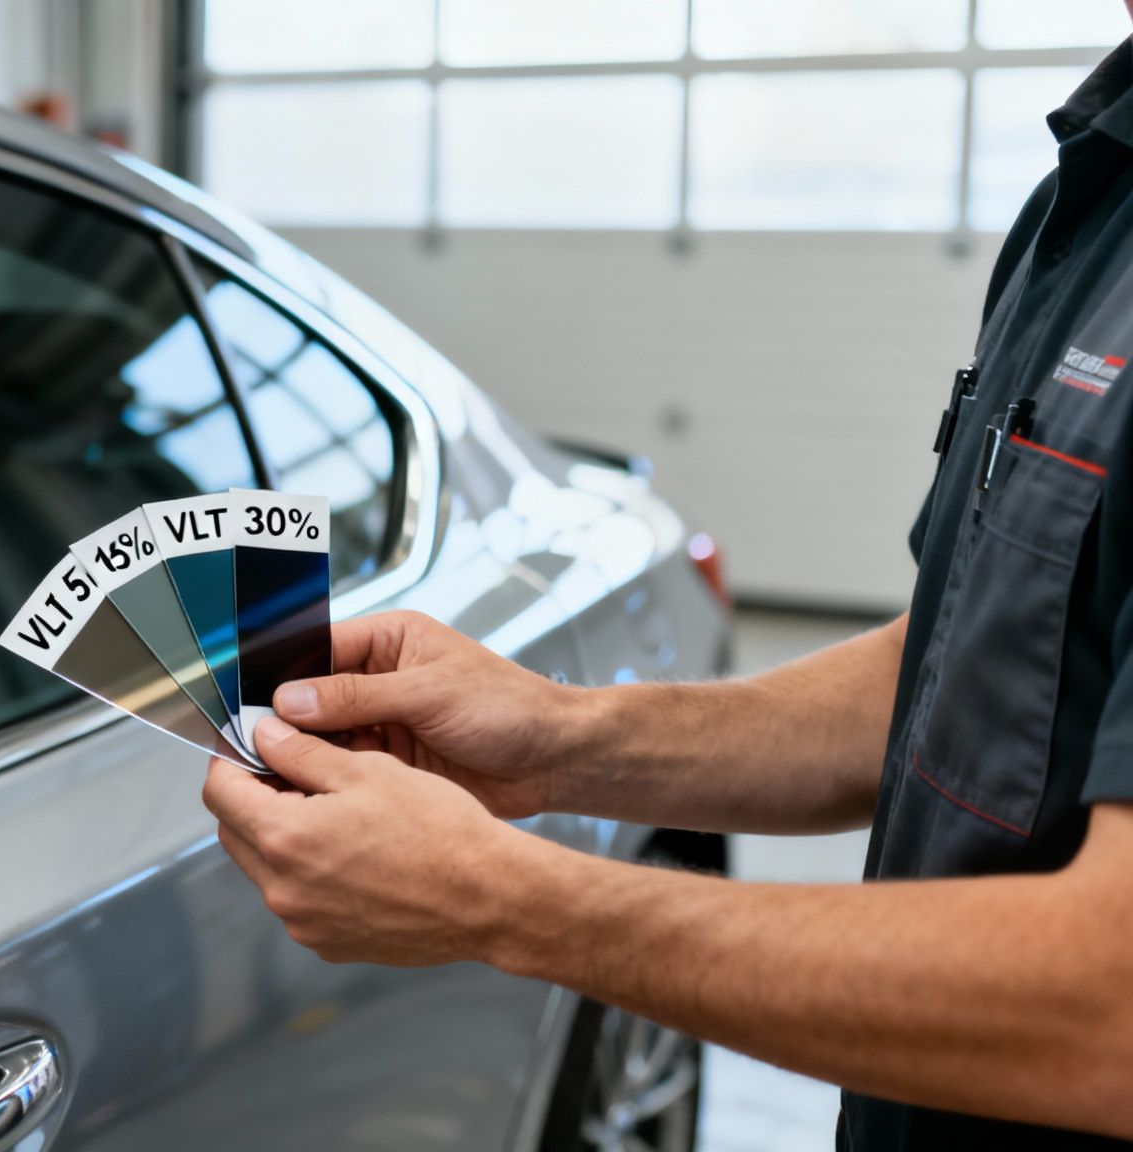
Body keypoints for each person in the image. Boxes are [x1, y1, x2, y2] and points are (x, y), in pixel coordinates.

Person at [202, 22, 1133, 1152]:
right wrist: (556, 741)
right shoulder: (1085, 202)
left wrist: (501, 899)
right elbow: (959, 671)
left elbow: (1110, 1009)